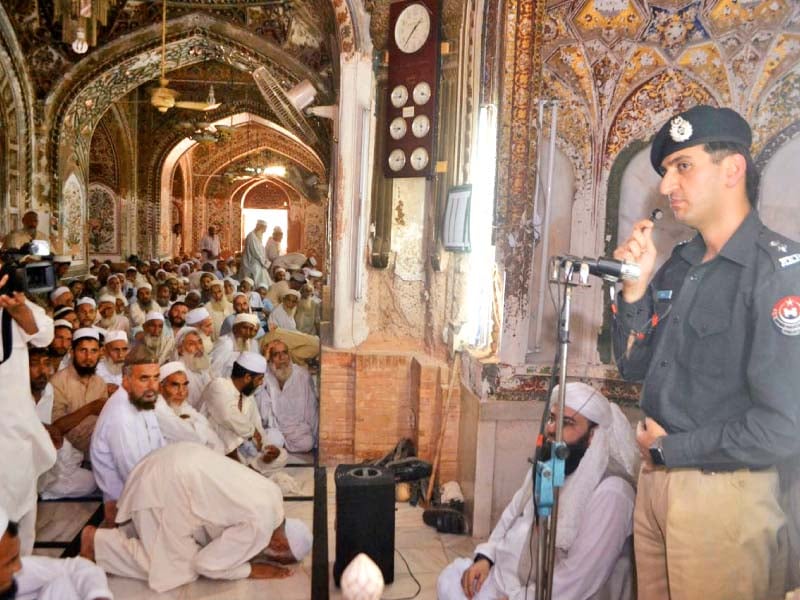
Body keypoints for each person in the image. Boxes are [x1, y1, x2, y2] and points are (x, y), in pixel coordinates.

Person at [611, 105, 800, 600]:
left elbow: (784, 426)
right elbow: (633, 365)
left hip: (723, 494)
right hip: (655, 483)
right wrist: (635, 288)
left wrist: (671, 449)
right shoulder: (682, 263)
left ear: (732, 168)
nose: (668, 184)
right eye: (666, 170)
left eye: (683, 166)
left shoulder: (777, 271)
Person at [437, 382, 638, 600]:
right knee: (450, 578)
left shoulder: (612, 493)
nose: (552, 428)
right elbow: (513, 514)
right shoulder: (551, 462)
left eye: (567, 423)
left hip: (549, 594)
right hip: (510, 579)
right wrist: (487, 557)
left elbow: (579, 579)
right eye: (552, 419)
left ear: (593, 436)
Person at [80, 442, 311, 592]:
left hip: (168, 458)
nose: (267, 557)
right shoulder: (260, 529)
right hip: (164, 486)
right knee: (177, 569)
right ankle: (99, 544)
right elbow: (206, 564)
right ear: (279, 544)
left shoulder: (274, 497)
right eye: (275, 558)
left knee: (181, 541)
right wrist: (250, 569)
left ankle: (130, 526)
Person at [0, 270, 56, 556]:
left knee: (22, 508)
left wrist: (20, 312)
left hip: (14, 427)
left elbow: (45, 334)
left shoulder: (16, 304)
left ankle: (18, 573)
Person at [90, 346, 165, 517]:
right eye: (144, 378)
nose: (153, 386)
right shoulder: (120, 415)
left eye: (156, 377)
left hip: (147, 488)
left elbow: (160, 446)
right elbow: (132, 473)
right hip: (126, 503)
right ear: (126, 379)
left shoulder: (141, 400)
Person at [0, 504, 113, 600]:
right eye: (8, 563)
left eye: (15, 558)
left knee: (64, 583)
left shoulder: (17, 572)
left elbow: (76, 566)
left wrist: (98, 596)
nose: (18, 567)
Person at [29, 346, 97, 500]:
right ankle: (36, 492)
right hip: (18, 458)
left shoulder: (48, 391)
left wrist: (51, 434)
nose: (42, 370)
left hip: (45, 448)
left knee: (89, 479)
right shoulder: (10, 394)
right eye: (34, 364)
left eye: (46, 364)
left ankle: (41, 490)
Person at [201, 351, 270, 462]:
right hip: (213, 445)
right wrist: (253, 432)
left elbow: (257, 424)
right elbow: (227, 416)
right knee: (227, 429)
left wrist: (265, 447)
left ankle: (249, 468)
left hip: (241, 448)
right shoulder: (218, 385)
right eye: (259, 378)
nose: (261, 383)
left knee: (281, 456)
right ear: (247, 377)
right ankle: (243, 468)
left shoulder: (248, 397)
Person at [50, 328, 109, 453]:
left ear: (100, 353)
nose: (89, 357)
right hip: (69, 453)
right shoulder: (58, 382)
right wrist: (90, 408)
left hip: (101, 445)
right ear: (72, 352)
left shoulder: (100, 383)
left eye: (94, 351)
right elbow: (55, 428)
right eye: (83, 350)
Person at [257, 340, 318, 452]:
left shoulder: (302, 375)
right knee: (272, 439)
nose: (282, 358)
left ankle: (281, 446)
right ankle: (280, 444)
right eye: (276, 354)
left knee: (307, 443)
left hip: (297, 430)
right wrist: (264, 359)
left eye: (284, 353)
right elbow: (254, 390)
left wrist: (316, 438)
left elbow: (311, 409)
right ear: (269, 359)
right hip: (274, 428)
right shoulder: (264, 375)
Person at [153, 361, 224, 452]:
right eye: (175, 386)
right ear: (160, 387)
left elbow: (205, 422)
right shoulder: (158, 408)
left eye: (185, 385)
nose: (182, 392)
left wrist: (193, 425)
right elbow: (193, 437)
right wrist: (195, 425)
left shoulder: (178, 403)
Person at [175, 327, 212, 410]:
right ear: (180, 350)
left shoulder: (202, 366)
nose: (199, 348)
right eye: (191, 344)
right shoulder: (180, 373)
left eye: (200, 342)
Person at [95, 330, 129, 396]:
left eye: (124, 349)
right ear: (105, 351)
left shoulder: (134, 370)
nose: (120, 355)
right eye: (116, 350)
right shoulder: (96, 370)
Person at [241, 219, 272, 288]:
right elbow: (255, 252)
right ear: (260, 227)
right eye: (264, 229)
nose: (265, 231)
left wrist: (265, 260)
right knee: (257, 277)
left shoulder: (258, 237)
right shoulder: (251, 236)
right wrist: (264, 263)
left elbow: (262, 251)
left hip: (258, 262)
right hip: (252, 263)